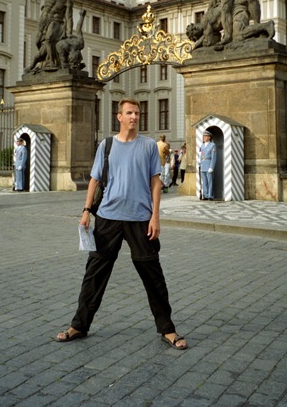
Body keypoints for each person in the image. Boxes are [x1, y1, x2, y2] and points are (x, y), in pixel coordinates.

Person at [56, 97, 187, 350]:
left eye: (137, 113)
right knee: (94, 275)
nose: (134, 117)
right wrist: (85, 211)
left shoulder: (149, 146)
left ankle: (168, 329)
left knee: (153, 276)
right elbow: (94, 180)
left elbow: (155, 182)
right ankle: (79, 326)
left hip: (140, 219)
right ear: (119, 116)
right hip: (107, 217)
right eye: (129, 113)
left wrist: (156, 216)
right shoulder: (106, 146)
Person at [199, 131, 217, 200]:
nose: (204, 137)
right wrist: (200, 163)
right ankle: (205, 194)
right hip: (203, 164)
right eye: (204, 136)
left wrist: (211, 167)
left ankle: (210, 195)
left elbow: (214, 157)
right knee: (204, 181)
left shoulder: (212, 145)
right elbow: (200, 155)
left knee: (210, 181)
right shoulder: (202, 145)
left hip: (209, 164)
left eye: (206, 136)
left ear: (209, 137)